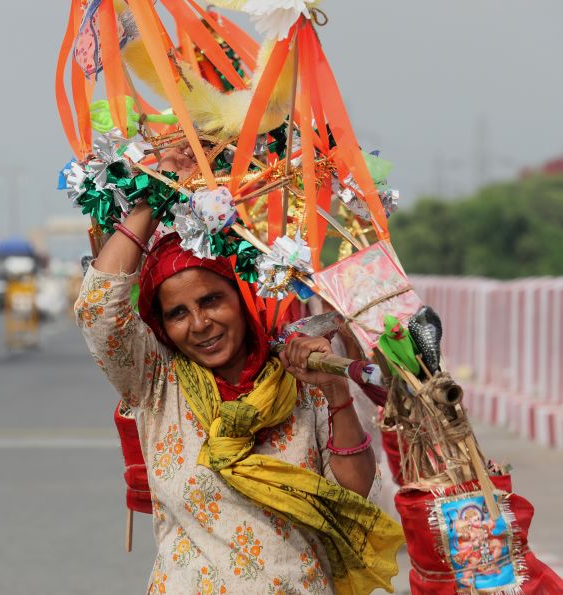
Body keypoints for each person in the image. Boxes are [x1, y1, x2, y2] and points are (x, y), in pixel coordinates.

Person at [75, 148, 403, 594]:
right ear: (162, 326)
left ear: (243, 300)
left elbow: (355, 493)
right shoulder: (157, 382)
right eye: (177, 313)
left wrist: (336, 392)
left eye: (211, 301)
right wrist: (156, 194)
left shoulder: (300, 377)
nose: (200, 324)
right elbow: (97, 309)